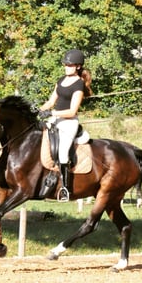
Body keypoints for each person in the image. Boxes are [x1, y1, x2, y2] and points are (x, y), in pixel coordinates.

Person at [39, 49, 93, 202]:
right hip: (56, 119)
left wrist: (52, 113)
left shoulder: (79, 85)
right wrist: (39, 109)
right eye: (65, 64)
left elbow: (72, 111)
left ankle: (65, 189)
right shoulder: (61, 80)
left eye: (69, 65)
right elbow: (51, 102)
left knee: (63, 153)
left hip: (69, 123)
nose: (66, 67)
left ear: (77, 66)